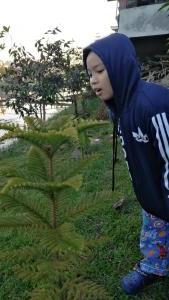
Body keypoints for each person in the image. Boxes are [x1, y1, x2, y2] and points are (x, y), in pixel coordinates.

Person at [83, 33, 169, 296]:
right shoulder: (118, 109)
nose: (93, 79)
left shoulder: (153, 106)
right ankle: (155, 264)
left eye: (100, 70)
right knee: (154, 227)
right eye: (89, 74)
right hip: (152, 193)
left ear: (120, 66)